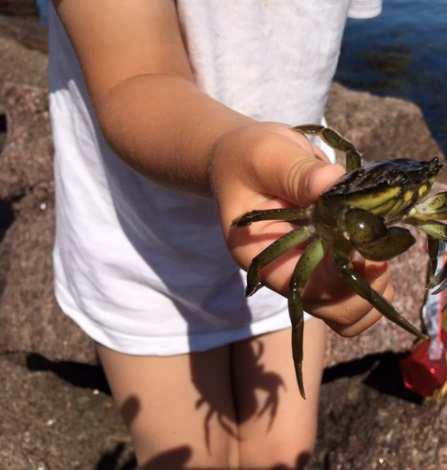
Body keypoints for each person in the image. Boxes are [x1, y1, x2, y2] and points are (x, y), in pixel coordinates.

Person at [50, 1, 390, 468]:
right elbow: (136, 77)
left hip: (289, 229)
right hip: (146, 250)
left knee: (284, 454)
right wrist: (228, 150)